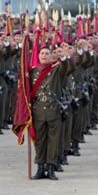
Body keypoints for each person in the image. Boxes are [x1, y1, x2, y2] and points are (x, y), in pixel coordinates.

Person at [30, 44, 72, 180]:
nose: (44, 56)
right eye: (42, 53)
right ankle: (40, 167)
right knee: (39, 141)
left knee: (53, 141)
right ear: (38, 55)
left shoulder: (57, 69)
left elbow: (67, 68)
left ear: (51, 56)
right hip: (38, 111)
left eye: (47, 53)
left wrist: (65, 57)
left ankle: (51, 167)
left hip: (53, 110)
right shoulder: (33, 71)